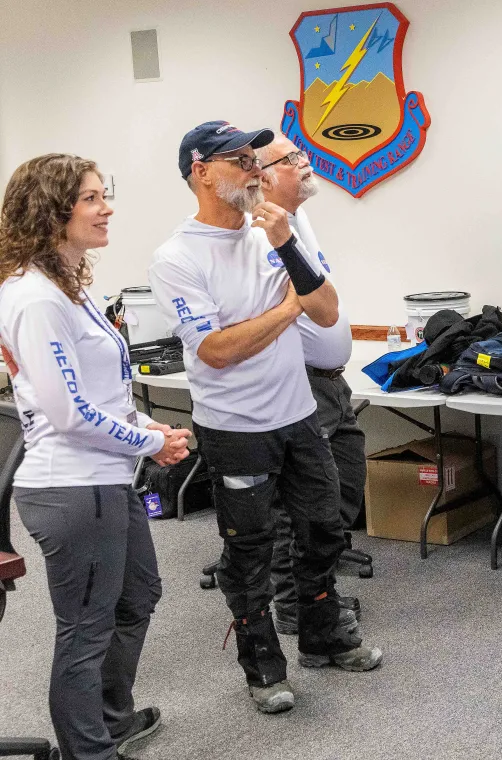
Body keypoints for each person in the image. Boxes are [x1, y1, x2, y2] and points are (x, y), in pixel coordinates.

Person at [149, 122, 381, 716]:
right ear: (201, 172)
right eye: (238, 159)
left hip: (299, 415)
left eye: (256, 158)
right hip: (235, 428)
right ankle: (263, 668)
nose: (254, 168)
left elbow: (325, 313)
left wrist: (285, 247)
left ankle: (324, 638)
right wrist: (285, 308)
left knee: (325, 527)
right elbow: (217, 350)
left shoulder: (271, 233)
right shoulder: (178, 256)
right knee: (249, 552)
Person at [0, 154, 191, 759]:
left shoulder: (69, 286)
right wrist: (151, 441)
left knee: (139, 595)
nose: (106, 207)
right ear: (51, 211)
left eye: (102, 194)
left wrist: (141, 423)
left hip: (106, 478)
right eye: (89, 198)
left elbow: (92, 394)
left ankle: (110, 719)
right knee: (83, 632)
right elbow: (68, 413)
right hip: (72, 488)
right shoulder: (36, 299)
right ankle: (90, 751)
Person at [256, 134, 367, 636]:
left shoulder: (298, 220)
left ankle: (318, 591)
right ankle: (294, 607)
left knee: (341, 491)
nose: (305, 164)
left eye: (301, 155)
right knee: (299, 509)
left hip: (332, 384)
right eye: (292, 159)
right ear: (263, 176)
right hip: (301, 386)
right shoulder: (259, 235)